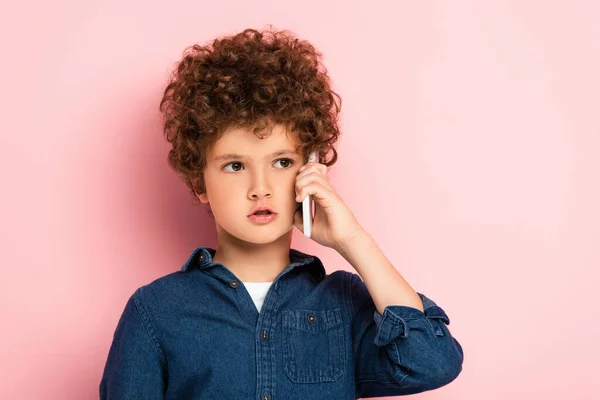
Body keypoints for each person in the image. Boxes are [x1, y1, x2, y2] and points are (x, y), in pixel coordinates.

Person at [99, 26, 464, 399]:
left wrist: (352, 239)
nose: (261, 187)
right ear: (199, 183)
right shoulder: (157, 312)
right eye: (235, 166)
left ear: (309, 169)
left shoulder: (344, 304)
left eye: (282, 162)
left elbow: (432, 362)